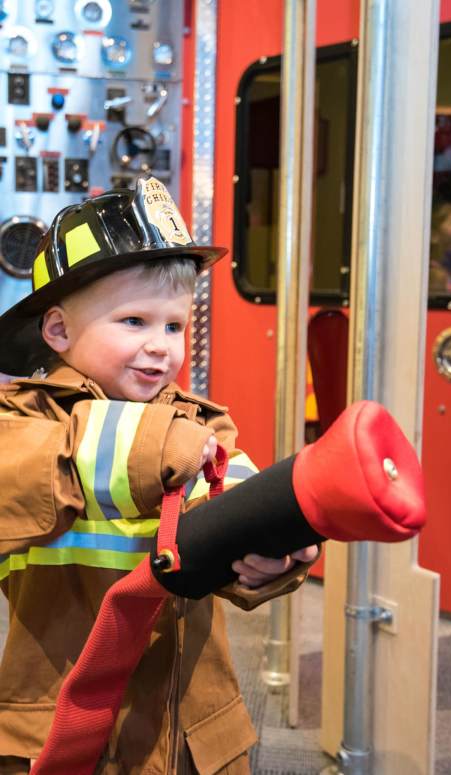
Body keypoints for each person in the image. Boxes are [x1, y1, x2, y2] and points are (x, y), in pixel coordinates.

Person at [0, 177, 318, 773]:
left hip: (189, 731)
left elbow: (235, 512)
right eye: (133, 321)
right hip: (60, 725)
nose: (160, 348)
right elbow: (44, 467)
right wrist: (164, 446)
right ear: (59, 331)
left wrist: (273, 551)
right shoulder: (20, 421)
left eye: (174, 326)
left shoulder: (202, 427)